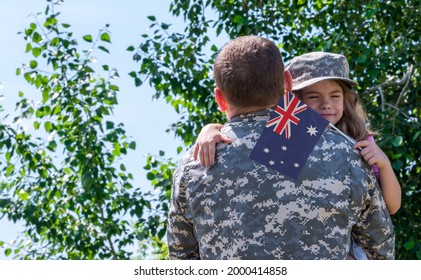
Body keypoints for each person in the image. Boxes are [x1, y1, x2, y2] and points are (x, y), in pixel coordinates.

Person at [166, 36, 395, 259]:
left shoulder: (194, 164)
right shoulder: (347, 154)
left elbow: (181, 259)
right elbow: (381, 251)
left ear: (220, 98)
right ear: (288, 82)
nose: (326, 105)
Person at [195, 51, 401, 216]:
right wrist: (212, 128)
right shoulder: (290, 132)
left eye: (335, 95)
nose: (326, 104)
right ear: (294, 99)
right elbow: (245, 133)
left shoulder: (359, 139)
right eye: (313, 96)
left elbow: (392, 207)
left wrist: (384, 164)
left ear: (346, 99)